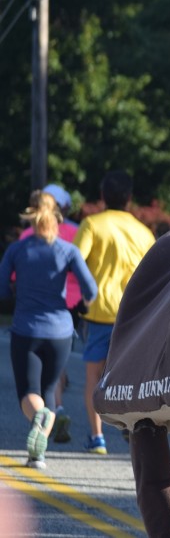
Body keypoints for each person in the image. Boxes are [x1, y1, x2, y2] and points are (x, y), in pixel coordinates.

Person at [1, 190, 97, 469]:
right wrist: (81, 306)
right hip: (61, 331)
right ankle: (38, 454)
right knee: (50, 388)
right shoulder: (68, 250)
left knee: (28, 392)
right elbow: (90, 288)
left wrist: (11, 295)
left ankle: (38, 418)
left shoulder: (18, 249)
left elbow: (1, 285)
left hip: (26, 329)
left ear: (30, 215)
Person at [74, 170, 156, 455]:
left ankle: (97, 438)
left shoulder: (92, 225)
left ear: (101, 196)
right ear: (130, 198)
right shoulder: (143, 232)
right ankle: (127, 425)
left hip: (98, 312)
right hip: (132, 315)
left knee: (93, 377)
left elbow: (75, 260)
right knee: (124, 376)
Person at [17, 183, 81, 444]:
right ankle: (57, 409)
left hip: (31, 315)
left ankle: (47, 412)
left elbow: (12, 276)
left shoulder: (25, 239)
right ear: (62, 208)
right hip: (69, 306)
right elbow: (84, 271)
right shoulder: (75, 232)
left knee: (35, 377)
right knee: (57, 363)